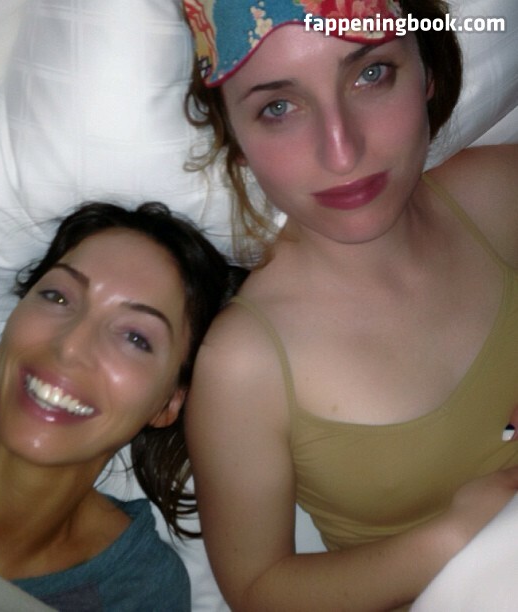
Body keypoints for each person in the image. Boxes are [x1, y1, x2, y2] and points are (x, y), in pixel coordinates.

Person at [183, 0, 518, 609]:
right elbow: (258, 590)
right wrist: (452, 537)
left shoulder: (499, 196)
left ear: (428, 73)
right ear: (238, 143)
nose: (342, 151)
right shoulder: (243, 364)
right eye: (278, 107)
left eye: (371, 74)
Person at [0, 201, 239, 611]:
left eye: (136, 338)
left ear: (167, 404)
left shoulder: (137, 591)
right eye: (58, 297)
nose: (70, 346)